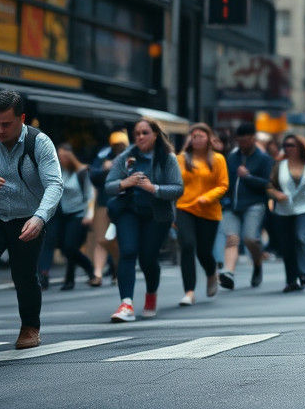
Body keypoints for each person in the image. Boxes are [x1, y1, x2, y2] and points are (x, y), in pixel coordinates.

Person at [0, 89, 62, 355]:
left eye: (6, 124)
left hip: (28, 219)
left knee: (24, 276)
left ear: (21, 118)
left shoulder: (40, 143)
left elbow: (55, 185)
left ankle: (30, 327)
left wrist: (40, 217)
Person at [105, 118, 183, 322]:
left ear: (155, 134)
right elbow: (108, 185)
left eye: (145, 132)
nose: (140, 136)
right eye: (137, 133)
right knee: (128, 252)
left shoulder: (167, 158)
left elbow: (178, 188)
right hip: (129, 211)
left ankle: (151, 294)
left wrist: (153, 188)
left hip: (156, 215)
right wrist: (125, 183)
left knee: (148, 258)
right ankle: (126, 304)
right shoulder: (127, 156)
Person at [175, 123, 229, 306]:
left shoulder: (218, 159)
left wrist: (208, 197)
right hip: (185, 208)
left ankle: (211, 272)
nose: (196, 138)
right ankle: (189, 291)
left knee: (204, 251)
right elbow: (174, 183)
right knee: (188, 246)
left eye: (201, 135)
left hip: (209, 210)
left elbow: (223, 185)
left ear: (209, 139)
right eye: (193, 135)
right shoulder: (180, 159)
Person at [219, 123, 273, 291]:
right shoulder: (232, 157)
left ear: (253, 139)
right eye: (240, 141)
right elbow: (226, 181)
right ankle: (228, 272)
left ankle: (257, 264)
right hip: (232, 205)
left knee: (250, 238)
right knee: (232, 238)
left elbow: (269, 184)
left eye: (246, 141)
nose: (243, 144)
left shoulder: (264, 159)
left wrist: (248, 177)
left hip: (254, 204)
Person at [268, 133, 305, 292]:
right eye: (286, 146)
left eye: (292, 145)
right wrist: (276, 194)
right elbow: (269, 186)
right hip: (283, 211)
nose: (288, 148)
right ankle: (291, 280)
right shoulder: (279, 166)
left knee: (300, 237)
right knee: (287, 246)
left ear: (300, 147)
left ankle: (303, 273)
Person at [39, 144, 94, 291]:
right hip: (61, 214)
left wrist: (89, 215)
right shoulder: (59, 171)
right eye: (59, 156)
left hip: (78, 214)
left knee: (70, 247)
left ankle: (88, 268)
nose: (61, 159)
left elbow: (90, 195)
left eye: (64, 156)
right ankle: (68, 280)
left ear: (70, 157)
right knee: (64, 247)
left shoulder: (82, 172)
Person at [88, 130, 127, 287]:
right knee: (101, 239)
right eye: (116, 144)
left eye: (121, 144)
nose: (118, 147)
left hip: (124, 203)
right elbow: (93, 173)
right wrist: (105, 169)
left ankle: (118, 269)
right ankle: (97, 273)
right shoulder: (103, 155)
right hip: (104, 202)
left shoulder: (132, 155)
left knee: (118, 239)